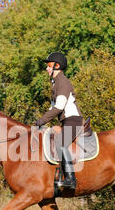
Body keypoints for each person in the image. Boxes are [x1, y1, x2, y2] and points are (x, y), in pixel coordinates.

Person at [35, 52, 83, 190]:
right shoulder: (55, 84)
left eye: (49, 66)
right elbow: (52, 108)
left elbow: (58, 107)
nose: (47, 69)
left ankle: (70, 179)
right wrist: (40, 122)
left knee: (60, 143)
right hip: (66, 121)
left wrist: (42, 120)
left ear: (57, 66)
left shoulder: (63, 82)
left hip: (74, 120)